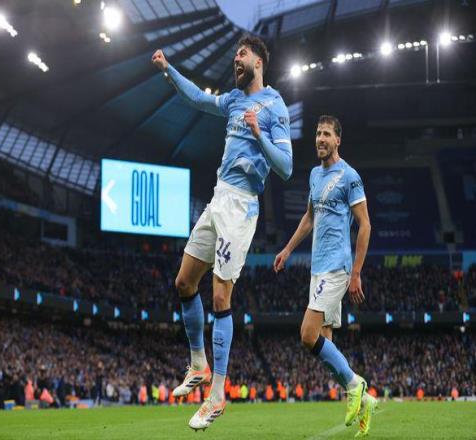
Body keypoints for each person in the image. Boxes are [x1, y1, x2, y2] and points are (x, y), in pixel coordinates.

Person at [152, 35, 292, 430]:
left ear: (259, 62)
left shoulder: (275, 106)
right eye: (235, 55)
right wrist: (168, 70)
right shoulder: (232, 100)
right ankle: (198, 363)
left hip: (241, 207)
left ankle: (216, 396)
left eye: (242, 54)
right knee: (184, 282)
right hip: (218, 199)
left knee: (219, 296)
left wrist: (259, 133)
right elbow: (198, 98)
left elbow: (285, 167)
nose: (236, 59)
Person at [273, 115, 377, 438]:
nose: (320, 138)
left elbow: (365, 225)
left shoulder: (350, 177)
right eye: (318, 133)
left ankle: (355, 385)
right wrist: (288, 249)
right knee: (325, 345)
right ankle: (365, 401)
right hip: (317, 268)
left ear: (337, 140)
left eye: (327, 134)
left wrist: (356, 272)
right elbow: (309, 217)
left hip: (337, 267)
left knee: (307, 335)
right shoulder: (315, 175)